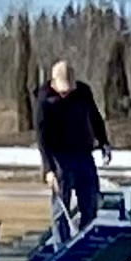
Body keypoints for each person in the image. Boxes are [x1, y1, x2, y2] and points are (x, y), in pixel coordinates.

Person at [32, 59, 110, 240]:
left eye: (69, 90)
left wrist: (104, 141)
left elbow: (95, 117)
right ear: (54, 83)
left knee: (90, 199)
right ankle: (62, 244)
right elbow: (42, 138)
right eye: (63, 90)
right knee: (62, 202)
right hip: (59, 155)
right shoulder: (44, 100)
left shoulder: (83, 92)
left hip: (83, 152)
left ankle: (86, 239)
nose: (67, 93)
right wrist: (48, 169)